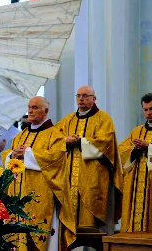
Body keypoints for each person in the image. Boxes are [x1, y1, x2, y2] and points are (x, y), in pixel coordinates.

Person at [1, 96, 75, 251]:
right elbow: (7, 154)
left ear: (45, 110)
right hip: (18, 196)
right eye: (29, 107)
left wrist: (28, 154)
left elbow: (56, 159)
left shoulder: (55, 135)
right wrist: (12, 155)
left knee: (40, 239)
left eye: (35, 107)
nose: (30, 110)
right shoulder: (20, 136)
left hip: (41, 198)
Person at [56, 85, 123, 229]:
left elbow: (106, 143)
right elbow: (54, 139)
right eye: (78, 96)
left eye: (85, 96)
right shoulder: (67, 120)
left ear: (94, 99)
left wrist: (81, 141)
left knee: (91, 223)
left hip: (93, 178)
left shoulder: (103, 118)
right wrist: (65, 141)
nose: (81, 99)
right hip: (68, 177)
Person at [119, 93, 152, 232]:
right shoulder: (137, 131)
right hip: (136, 187)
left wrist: (149, 148)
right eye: (145, 110)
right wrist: (135, 150)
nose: (148, 113)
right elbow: (121, 150)